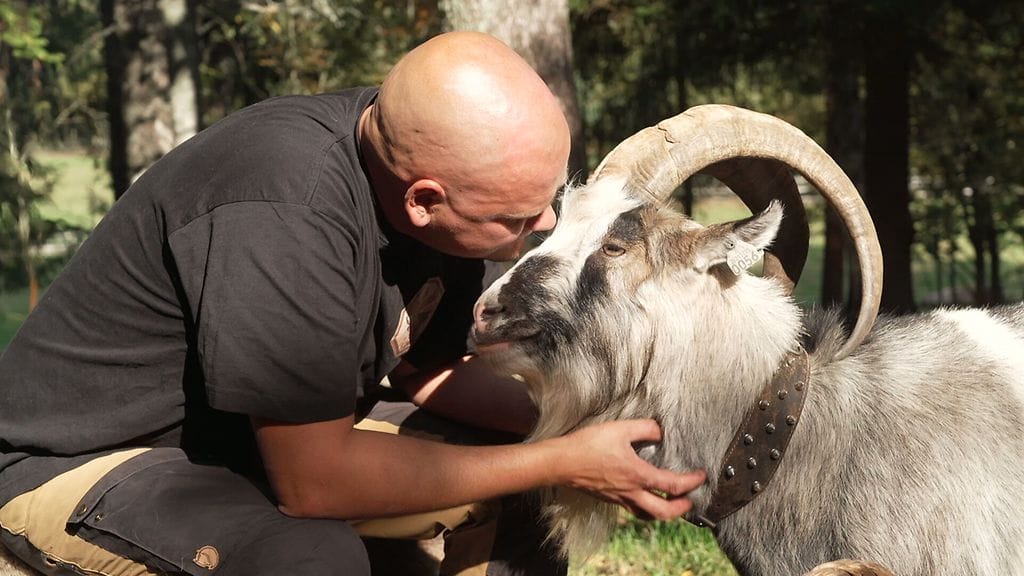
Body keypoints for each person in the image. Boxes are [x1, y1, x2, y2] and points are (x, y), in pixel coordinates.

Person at [0, 31, 705, 576]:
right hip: (78, 464)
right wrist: (562, 459)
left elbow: (426, 369)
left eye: (546, 202)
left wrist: (583, 425)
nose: (544, 227)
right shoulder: (285, 209)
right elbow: (314, 484)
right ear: (424, 200)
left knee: (521, 478)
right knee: (312, 558)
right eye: (517, 219)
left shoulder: (428, 154)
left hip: (256, 443)